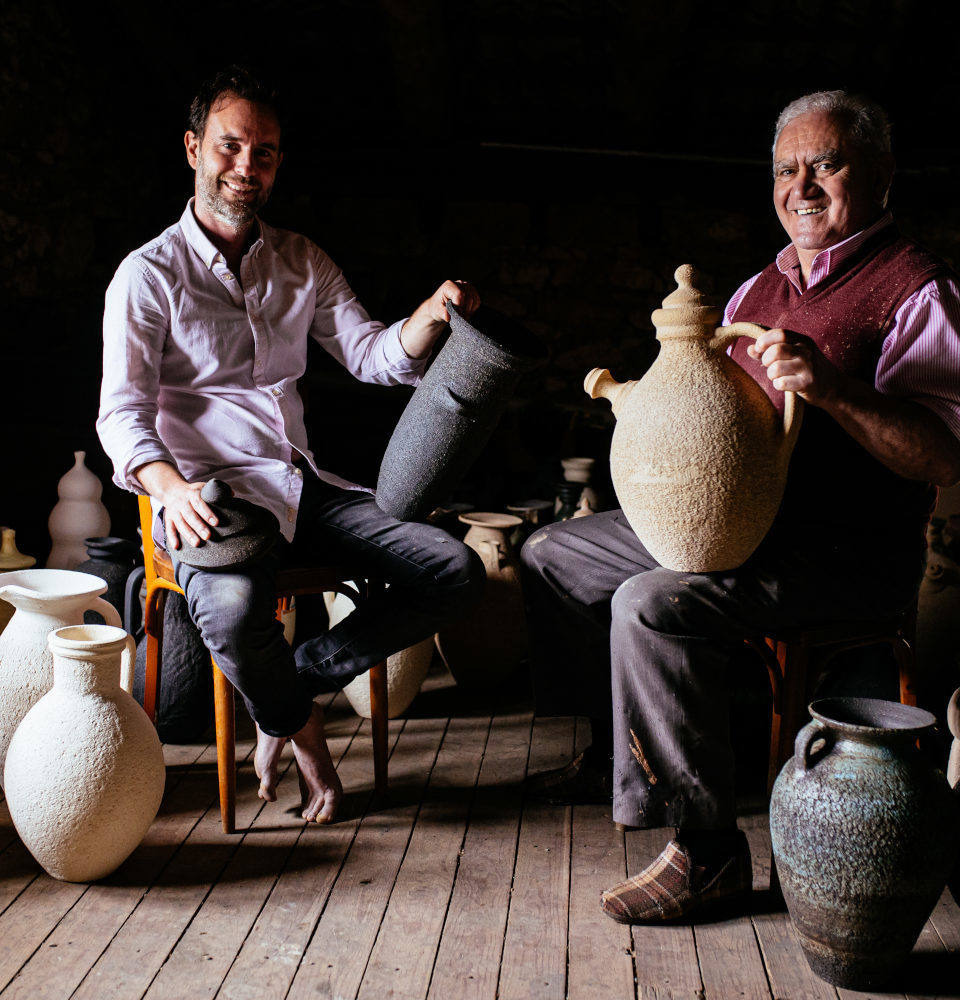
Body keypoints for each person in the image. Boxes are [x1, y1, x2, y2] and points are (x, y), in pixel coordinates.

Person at [521, 90, 960, 923]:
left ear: (881, 175)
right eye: (785, 169)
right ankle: (617, 752)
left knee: (650, 604)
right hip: (737, 527)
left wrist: (836, 392)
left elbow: (943, 455)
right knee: (553, 553)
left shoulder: (917, 291)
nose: (802, 186)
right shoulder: (758, 289)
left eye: (825, 164)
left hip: (843, 554)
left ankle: (708, 850)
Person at [97, 66, 485, 825]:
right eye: (230, 147)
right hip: (209, 503)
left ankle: (299, 677)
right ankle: (304, 736)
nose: (247, 168)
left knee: (456, 571)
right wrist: (170, 490)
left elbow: (376, 356)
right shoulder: (146, 276)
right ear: (192, 149)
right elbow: (121, 415)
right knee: (237, 615)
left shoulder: (301, 259)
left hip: (301, 486)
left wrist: (434, 312)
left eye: (265, 153)